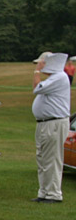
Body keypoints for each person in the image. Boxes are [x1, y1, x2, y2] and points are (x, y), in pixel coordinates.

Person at [31, 52, 70, 203]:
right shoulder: (53, 79)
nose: (40, 67)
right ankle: (44, 192)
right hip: (45, 123)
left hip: (53, 123)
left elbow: (36, 88)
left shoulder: (59, 77)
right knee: (43, 157)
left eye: (41, 64)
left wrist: (37, 71)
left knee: (52, 158)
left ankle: (54, 194)